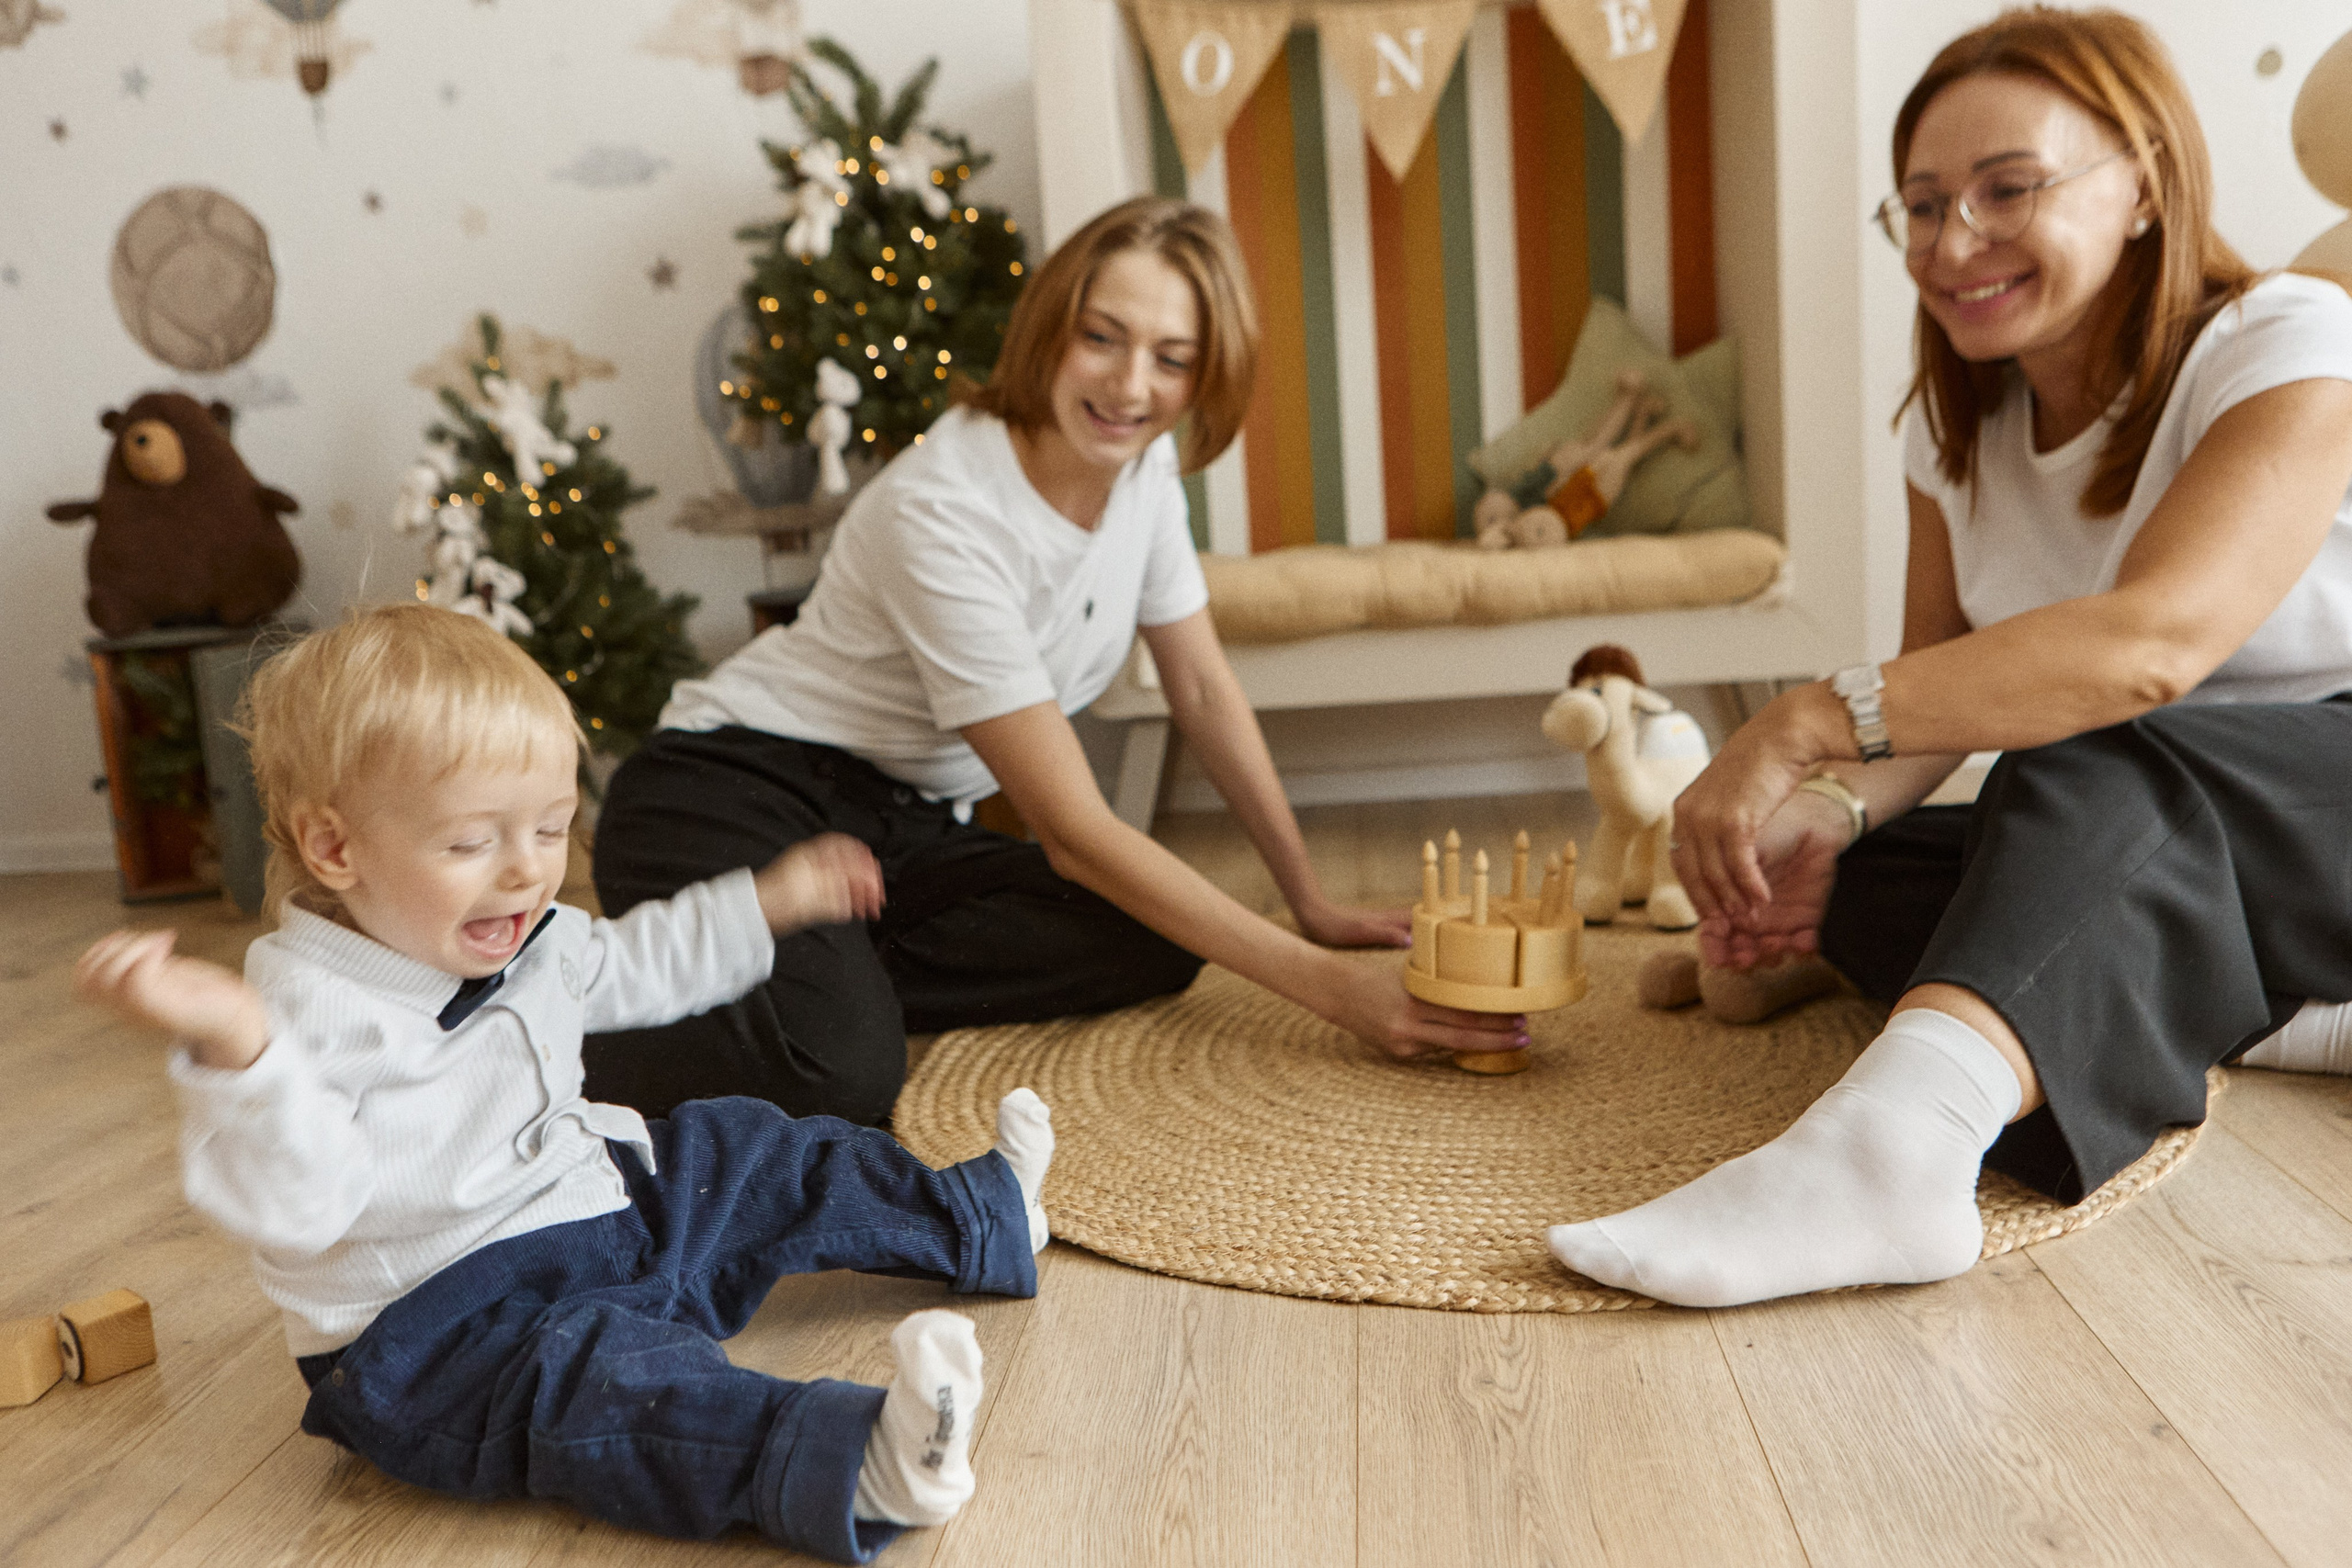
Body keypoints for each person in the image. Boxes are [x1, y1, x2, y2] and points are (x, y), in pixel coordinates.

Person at [1546, 6, 2352, 1309]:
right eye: (1921, 206)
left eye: (2006, 189)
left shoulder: (2290, 341)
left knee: (2094, 756)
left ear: (2142, 183)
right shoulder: (1955, 428)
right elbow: (1938, 696)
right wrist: (1824, 812)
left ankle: (1889, 1154)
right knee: (1877, 879)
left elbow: (2150, 648)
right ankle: (2289, 1012)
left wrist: (1804, 722)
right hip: (2173, 819)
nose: (1952, 240)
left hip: (2325, 779)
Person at [74, 605, 1056, 1564]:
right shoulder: (297, 1015)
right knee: (610, 1387)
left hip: (593, 1210)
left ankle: (978, 1215)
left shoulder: (526, 934)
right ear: (336, 849)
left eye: (549, 830)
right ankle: (858, 1465)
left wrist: (767, 904)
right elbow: (301, 1207)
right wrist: (245, 1056)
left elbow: (637, 961)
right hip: (441, 1330)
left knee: (750, 1147)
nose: (525, 875)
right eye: (471, 843)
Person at [587, 195, 1522, 1126]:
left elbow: (1199, 686)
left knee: (1150, 939)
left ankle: (821, 978)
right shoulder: (944, 510)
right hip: (729, 788)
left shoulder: (1142, 471)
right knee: (840, 1079)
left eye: (1171, 358)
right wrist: (1331, 990)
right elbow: (1075, 835)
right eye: (1102, 338)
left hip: (896, 825)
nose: (1128, 387)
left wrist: (1307, 900)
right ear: (1049, 329)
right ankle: (563, 1010)